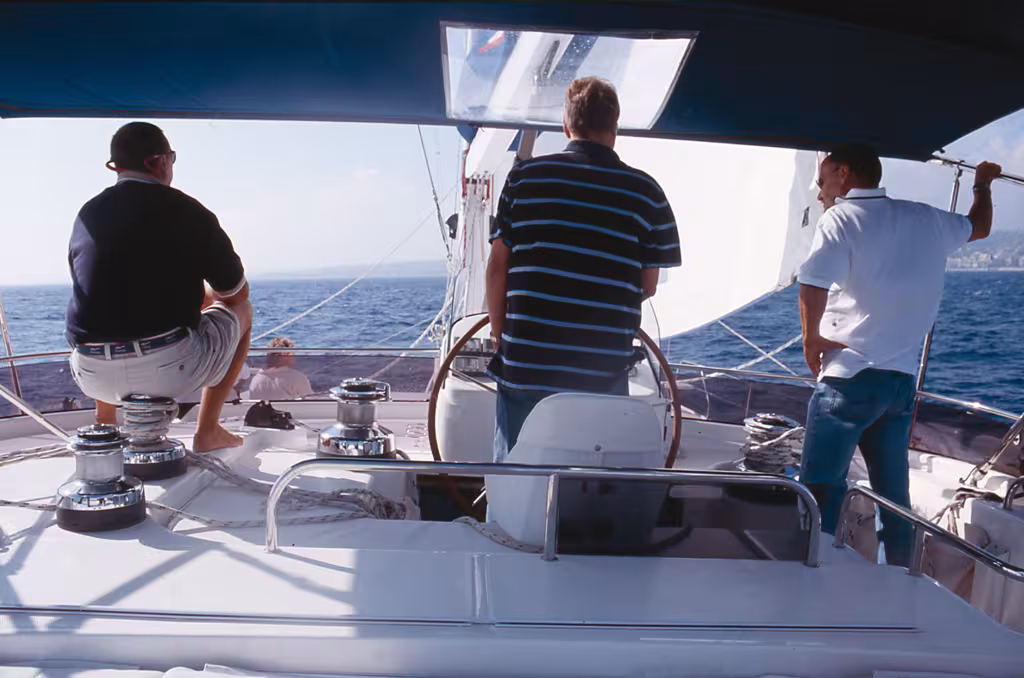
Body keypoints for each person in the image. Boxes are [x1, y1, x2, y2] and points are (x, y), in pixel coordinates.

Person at [797, 143, 1001, 566]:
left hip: (848, 382)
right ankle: (896, 580)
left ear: (844, 173)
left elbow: (813, 279)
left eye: (822, 181)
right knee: (893, 498)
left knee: (819, 490)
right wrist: (981, 185)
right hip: (898, 387)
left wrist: (811, 339)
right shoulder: (925, 218)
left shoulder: (841, 218)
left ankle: (809, 581)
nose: (819, 194)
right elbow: (978, 227)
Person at [485, 76, 682, 463]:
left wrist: (499, 335)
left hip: (526, 364)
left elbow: (497, 268)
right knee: (590, 482)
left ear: (565, 125)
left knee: (515, 477)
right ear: (615, 126)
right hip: (601, 373)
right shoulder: (647, 193)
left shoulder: (524, 179)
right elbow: (648, 285)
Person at [66, 121, 253, 453]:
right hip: (167, 368)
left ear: (116, 166)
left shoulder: (87, 214)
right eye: (171, 158)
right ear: (158, 161)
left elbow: (99, 292)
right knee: (243, 312)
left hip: (90, 372)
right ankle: (208, 430)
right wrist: (206, 300)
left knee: (104, 315)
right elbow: (235, 294)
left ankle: (106, 424)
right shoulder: (187, 210)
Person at [248, 337, 313, 400]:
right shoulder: (297, 377)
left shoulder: (257, 379)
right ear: (287, 354)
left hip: (262, 411)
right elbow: (310, 401)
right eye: (293, 354)